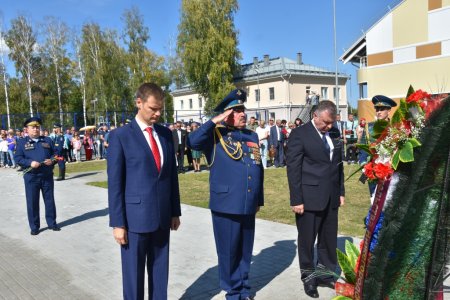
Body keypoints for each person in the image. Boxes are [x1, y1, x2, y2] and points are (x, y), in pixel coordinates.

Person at [188, 88, 264, 300]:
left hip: (248, 201)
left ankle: (244, 289)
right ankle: (233, 292)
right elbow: (192, 142)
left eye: (242, 110)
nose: (242, 114)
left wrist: (259, 199)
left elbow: (258, 167)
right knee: (229, 252)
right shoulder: (214, 135)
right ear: (227, 114)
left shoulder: (252, 135)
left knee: (245, 251)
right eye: (236, 110)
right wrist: (215, 121)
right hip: (226, 203)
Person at [107, 82, 181, 300]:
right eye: (153, 109)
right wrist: (118, 223)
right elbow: (115, 184)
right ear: (138, 103)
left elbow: (171, 176)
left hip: (162, 217)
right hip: (134, 221)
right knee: (134, 276)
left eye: (160, 109)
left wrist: (175, 211)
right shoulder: (121, 136)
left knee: (160, 273)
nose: (158, 114)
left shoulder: (166, 135)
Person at [286, 100, 345, 299]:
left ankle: (325, 272)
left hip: (331, 195)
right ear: (315, 116)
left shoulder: (334, 133)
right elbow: (293, 169)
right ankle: (309, 276)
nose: (330, 126)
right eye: (326, 122)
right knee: (307, 239)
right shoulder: (299, 134)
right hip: (308, 197)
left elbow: (338, 165)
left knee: (329, 238)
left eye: (332, 122)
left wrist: (341, 191)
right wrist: (296, 199)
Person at [14, 117, 61, 235]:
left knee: (49, 200)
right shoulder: (21, 142)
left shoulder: (47, 140)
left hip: (46, 176)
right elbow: (18, 158)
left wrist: (52, 161)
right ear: (27, 129)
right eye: (32, 127)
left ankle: (52, 223)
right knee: (32, 202)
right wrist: (30, 163)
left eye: (37, 127)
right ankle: (34, 227)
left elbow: (56, 155)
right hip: (31, 177)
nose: (35, 129)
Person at [362, 95, 397, 198]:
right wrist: (364, 164)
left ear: (389, 110)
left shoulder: (396, 128)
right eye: (377, 109)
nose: (379, 112)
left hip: (390, 172)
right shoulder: (369, 127)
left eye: (382, 109)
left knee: (389, 201)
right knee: (374, 201)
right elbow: (363, 148)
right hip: (374, 171)